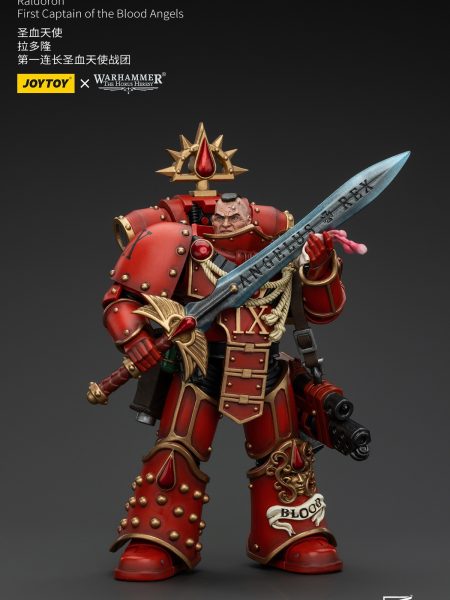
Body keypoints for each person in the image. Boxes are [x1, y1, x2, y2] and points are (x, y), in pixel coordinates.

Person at [100, 124, 347, 580]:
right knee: (177, 450)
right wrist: (136, 339)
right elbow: (121, 300)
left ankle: (292, 532)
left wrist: (318, 264)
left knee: (284, 453)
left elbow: (322, 310)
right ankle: (158, 536)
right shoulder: (172, 240)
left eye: (237, 216)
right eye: (221, 217)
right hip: (198, 366)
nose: (228, 221)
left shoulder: (278, 245)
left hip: (265, 364)